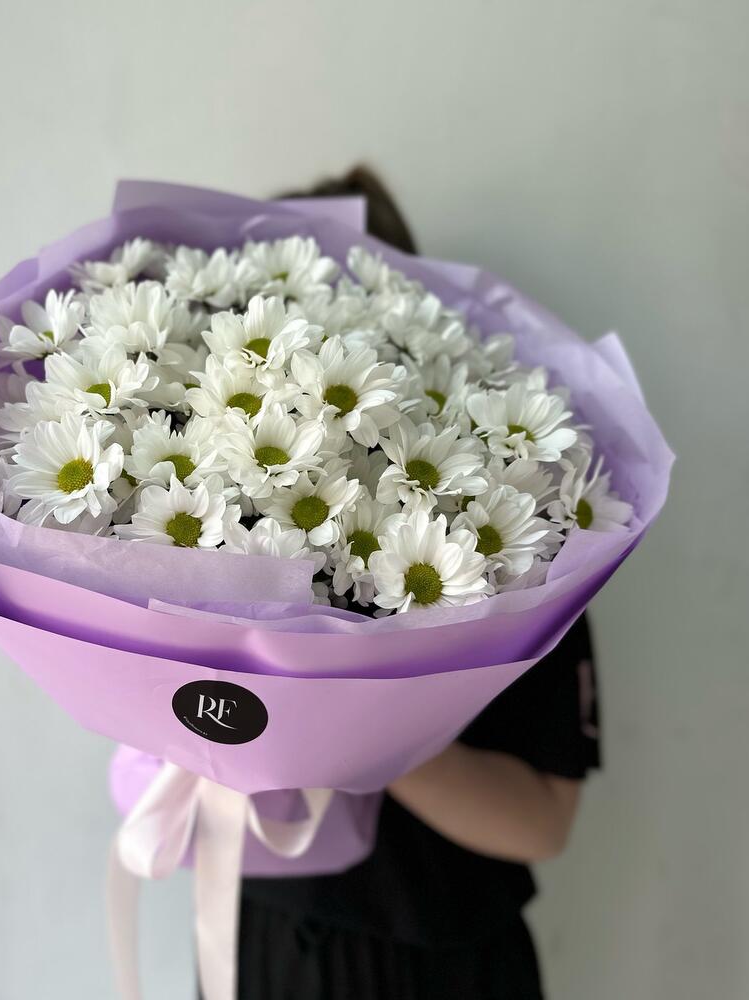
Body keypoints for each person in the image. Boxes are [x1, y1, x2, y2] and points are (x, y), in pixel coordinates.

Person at [236, 171, 601, 1000]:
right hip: (258, 937)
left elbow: (542, 823)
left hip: (437, 952)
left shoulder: (525, 530)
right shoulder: (226, 497)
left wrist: (356, 723)